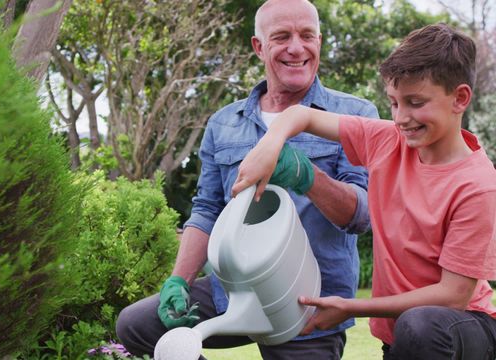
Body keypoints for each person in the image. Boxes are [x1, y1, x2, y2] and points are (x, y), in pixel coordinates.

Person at [116, 0, 379, 358]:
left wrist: (306, 175)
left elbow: (362, 215)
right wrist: (179, 280)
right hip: (235, 293)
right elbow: (207, 209)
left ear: (319, 41)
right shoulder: (224, 123)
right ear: (259, 46)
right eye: (281, 37)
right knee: (137, 324)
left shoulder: (355, 115)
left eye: (306, 36)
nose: (296, 48)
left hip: (307, 304)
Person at [232, 23, 496, 359]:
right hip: (406, 339)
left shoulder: (477, 186)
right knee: (413, 329)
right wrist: (270, 146)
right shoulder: (387, 140)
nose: (401, 118)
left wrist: (351, 306)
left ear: (459, 98)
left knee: (420, 326)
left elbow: (453, 295)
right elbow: (299, 115)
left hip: (462, 330)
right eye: (394, 102)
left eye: (415, 102)